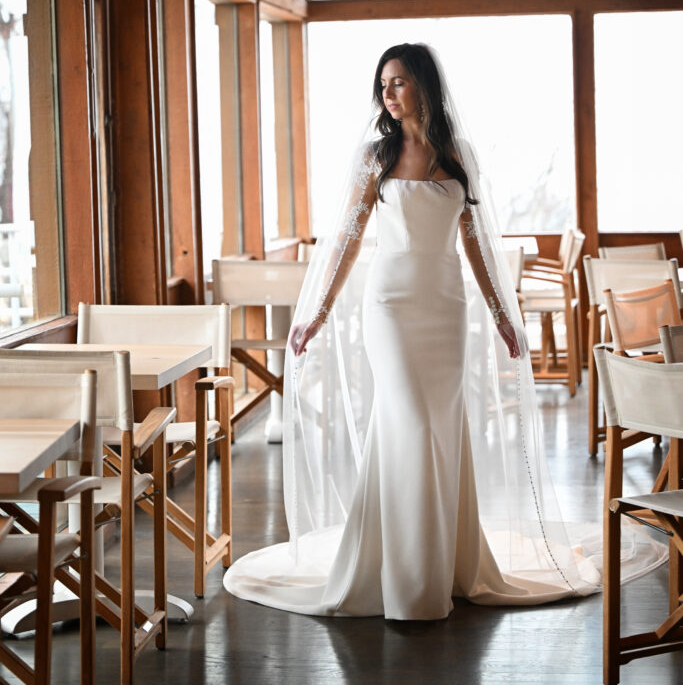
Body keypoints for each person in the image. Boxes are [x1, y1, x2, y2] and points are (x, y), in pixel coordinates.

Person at [224, 43, 664, 620]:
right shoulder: (373, 157)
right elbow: (349, 241)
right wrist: (321, 310)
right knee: (408, 420)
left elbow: (476, 242)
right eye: (383, 83)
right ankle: (406, 581)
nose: (388, 92)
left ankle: (445, 564)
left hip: (446, 306)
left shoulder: (457, 154)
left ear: (424, 87)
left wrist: (506, 317)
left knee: (439, 427)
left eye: (399, 81)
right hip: (389, 305)